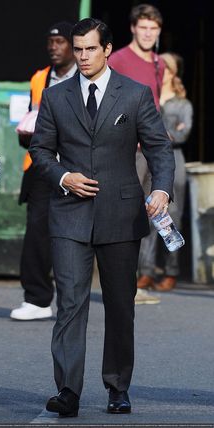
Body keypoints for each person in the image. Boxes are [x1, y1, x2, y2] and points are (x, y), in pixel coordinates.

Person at [29, 17, 175, 417]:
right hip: (69, 216)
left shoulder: (135, 94)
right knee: (71, 304)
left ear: (108, 49)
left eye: (90, 48)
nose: (82, 56)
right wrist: (63, 176)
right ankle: (68, 391)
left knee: (119, 306)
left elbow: (159, 148)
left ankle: (117, 387)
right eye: (78, 49)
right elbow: (40, 151)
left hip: (121, 215)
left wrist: (160, 189)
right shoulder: (56, 97)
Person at [10, 22, 77, 321]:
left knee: (79, 233)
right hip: (41, 166)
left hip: (77, 166)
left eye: (60, 41)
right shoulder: (39, 78)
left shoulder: (88, 77)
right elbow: (30, 116)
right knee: (37, 231)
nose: (54, 47)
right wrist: (25, 132)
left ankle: (75, 298)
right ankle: (37, 299)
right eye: (50, 42)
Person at [108, 3, 164, 302]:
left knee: (153, 210)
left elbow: (155, 104)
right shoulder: (118, 59)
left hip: (152, 149)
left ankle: (140, 277)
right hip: (128, 149)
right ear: (132, 28)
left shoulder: (159, 63)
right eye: (142, 27)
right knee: (125, 214)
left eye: (153, 28)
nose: (147, 33)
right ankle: (124, 285)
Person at [138, 52, 193, 291]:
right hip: (147, 159)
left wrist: (161, 134)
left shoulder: (182, 103)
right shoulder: (148, 96)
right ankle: (146, 270)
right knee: (148, 213)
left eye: (164, 68)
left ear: (172, 71)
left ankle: (171, 270)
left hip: (174, 158)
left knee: (173, 215)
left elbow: (183, 133)